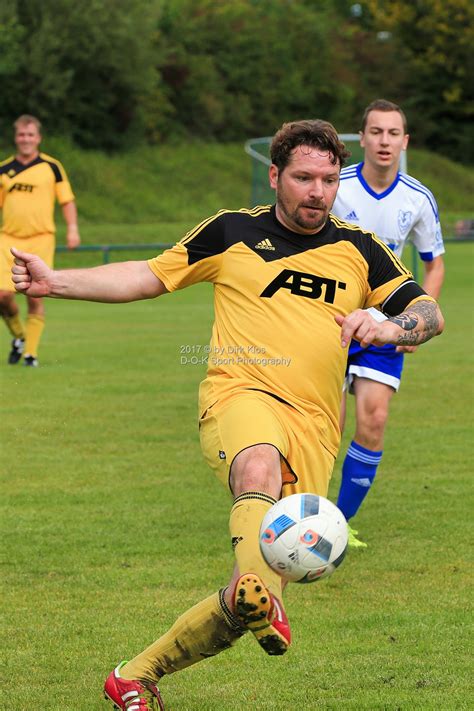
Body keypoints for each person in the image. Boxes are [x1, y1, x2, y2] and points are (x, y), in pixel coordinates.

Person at [11, 119, 444, 710]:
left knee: (255, 597)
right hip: (239, 393)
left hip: (317, 427)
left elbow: (427, 311)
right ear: (275, 176)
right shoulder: (232, 230)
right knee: (257, 467)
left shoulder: (359, 248)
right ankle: (257, 588)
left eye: (325, 179)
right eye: (302, 178)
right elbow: (147, 275)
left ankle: (134, 676)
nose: (316, 191)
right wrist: (56, 281)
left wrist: (391, 325)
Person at [332, 99, 445, 548]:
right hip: (332, 318)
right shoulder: (335, 187)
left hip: (385, 325)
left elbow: (434, 264)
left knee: (373, 420)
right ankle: (303, 514)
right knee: (326, 424)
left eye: (392, 133)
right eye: (375, 132)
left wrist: (414, 318)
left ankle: (337, 525)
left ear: (404, 141)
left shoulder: (418, 198)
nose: (384, 141)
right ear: (361, 138)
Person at [0, 114, 80, 367]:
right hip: (8, 239)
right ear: (16, 137)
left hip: (41, 238)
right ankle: (19, 337)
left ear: (38, 138)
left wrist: (73, 229)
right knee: (2, 296)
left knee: (35, 296)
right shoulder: (3, 169)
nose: (26, 139)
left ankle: (30, 355)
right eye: (22, 134)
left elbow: (66, 200)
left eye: (30, 134)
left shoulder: (52, 167)